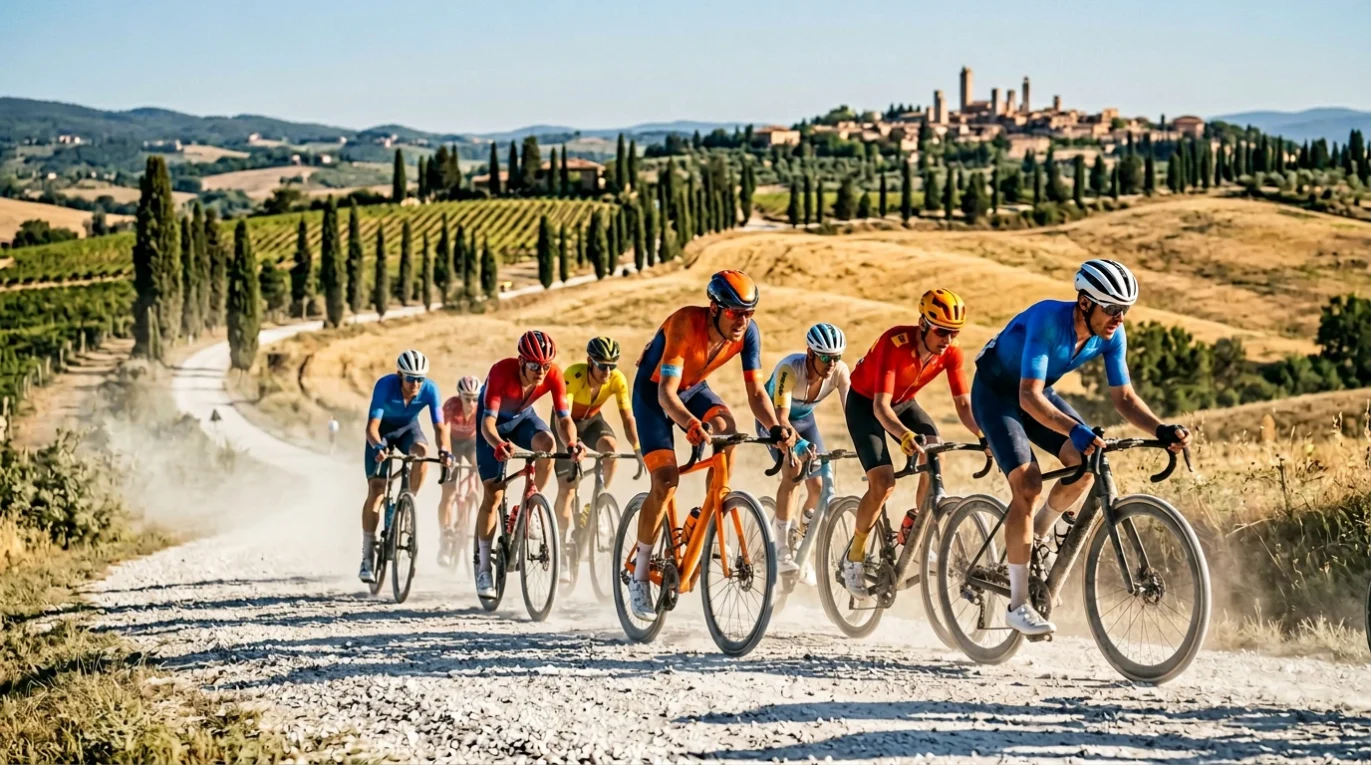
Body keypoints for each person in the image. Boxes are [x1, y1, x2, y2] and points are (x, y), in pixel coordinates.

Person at [971, 259, 1190, 636]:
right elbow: (1027, 396)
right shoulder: (1046, 320)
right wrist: (1075, 428)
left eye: (1125, 310)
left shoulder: (1110, 334)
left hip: (1038, 393)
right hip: (997, 396)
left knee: (1087, 463)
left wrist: (1161, 428)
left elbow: (1124, 398)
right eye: (1112, 308)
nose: (1119, 318)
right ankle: (1018, 604)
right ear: (1085, 303)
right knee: (1028, 485)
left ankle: (1036, 536)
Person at [627, 270, 796, 619]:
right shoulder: (685, 324)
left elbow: (756, 393)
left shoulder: (748, 333)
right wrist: (689, 423)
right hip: (655, 392)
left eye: (750, 312)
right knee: (666, 481)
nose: (743, 320)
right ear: (715, 308)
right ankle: (640, 574)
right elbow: (665, 395)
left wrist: (777, 427)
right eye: (735, 312)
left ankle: (711, 509)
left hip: (692, 388)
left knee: (727, 427)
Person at [842, 289, 984, 599]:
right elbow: (881, 409)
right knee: (883, 482)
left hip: (904, 403)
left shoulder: (951, 352)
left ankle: (914, 527)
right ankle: (854, 556)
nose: (947, 339)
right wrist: (904, 436)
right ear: (923, 324)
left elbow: (963, 405)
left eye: (954, 332)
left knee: (935, 456)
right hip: (867, 404)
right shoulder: (895, 343)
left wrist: (984, 436)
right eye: (942, 331)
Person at [473, 331, 584, 600]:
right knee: (493, 493)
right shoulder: (501, 372)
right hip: (493, 426)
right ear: (521, 361)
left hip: (523, 420)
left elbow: (564, 419)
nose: (541, 371)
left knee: (548, 444)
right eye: (535, 365)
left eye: (546, 366)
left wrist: (572, 443)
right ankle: (484, 566)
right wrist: (499, 444)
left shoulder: (554, 375)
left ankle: (530, 505)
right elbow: (487, 424)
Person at [756, 323, 851, 574]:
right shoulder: (790, 369)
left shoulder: (840, 371)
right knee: (794, 472)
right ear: (810, 353)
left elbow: (852, 412)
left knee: (819, 487)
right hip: (777, 421)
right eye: (825, 357)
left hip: (806, 421)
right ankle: (781, 547)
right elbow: (782, 418)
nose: (831, 364)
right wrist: (797, 444)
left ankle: (802, 540)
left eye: (836, 357)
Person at [552, 336, 644, 578]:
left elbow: (627, 418)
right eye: (602, 365)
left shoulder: (617, 380)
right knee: (567, 490)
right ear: (589, 362)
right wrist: (573, 444)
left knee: (610, 449)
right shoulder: (574, 375)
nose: (607, 371)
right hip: (565, 425)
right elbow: (564, 419)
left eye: (612, 365)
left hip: (592, 422)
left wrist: (637, 447)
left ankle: (596, 504)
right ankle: (561, 548)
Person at [359, 350, 453, 583]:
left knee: (421, 452)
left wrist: (445, 451)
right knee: (377, 491)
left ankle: (407, 500)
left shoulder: (430, 389)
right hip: (382, 432)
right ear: (399, 375)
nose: (416, 384)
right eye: (411, 378)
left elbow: (440, 427)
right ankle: (368, 557)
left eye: (420, 379)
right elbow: (372, 426)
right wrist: (378, 447)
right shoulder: (385, 386)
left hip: (408, 430)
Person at [436, 375, 481, 566]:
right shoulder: (451, 406)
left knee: (479, 467)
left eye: (475, 398)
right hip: (453, 443)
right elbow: (444, 431)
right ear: (459, 396)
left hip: (471, 443)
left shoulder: (481, 407)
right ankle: (445, 537)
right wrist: (445, 453)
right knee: (449, 492)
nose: (471, 403)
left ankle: (473, 502)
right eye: (467, 398)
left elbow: (487, 430)